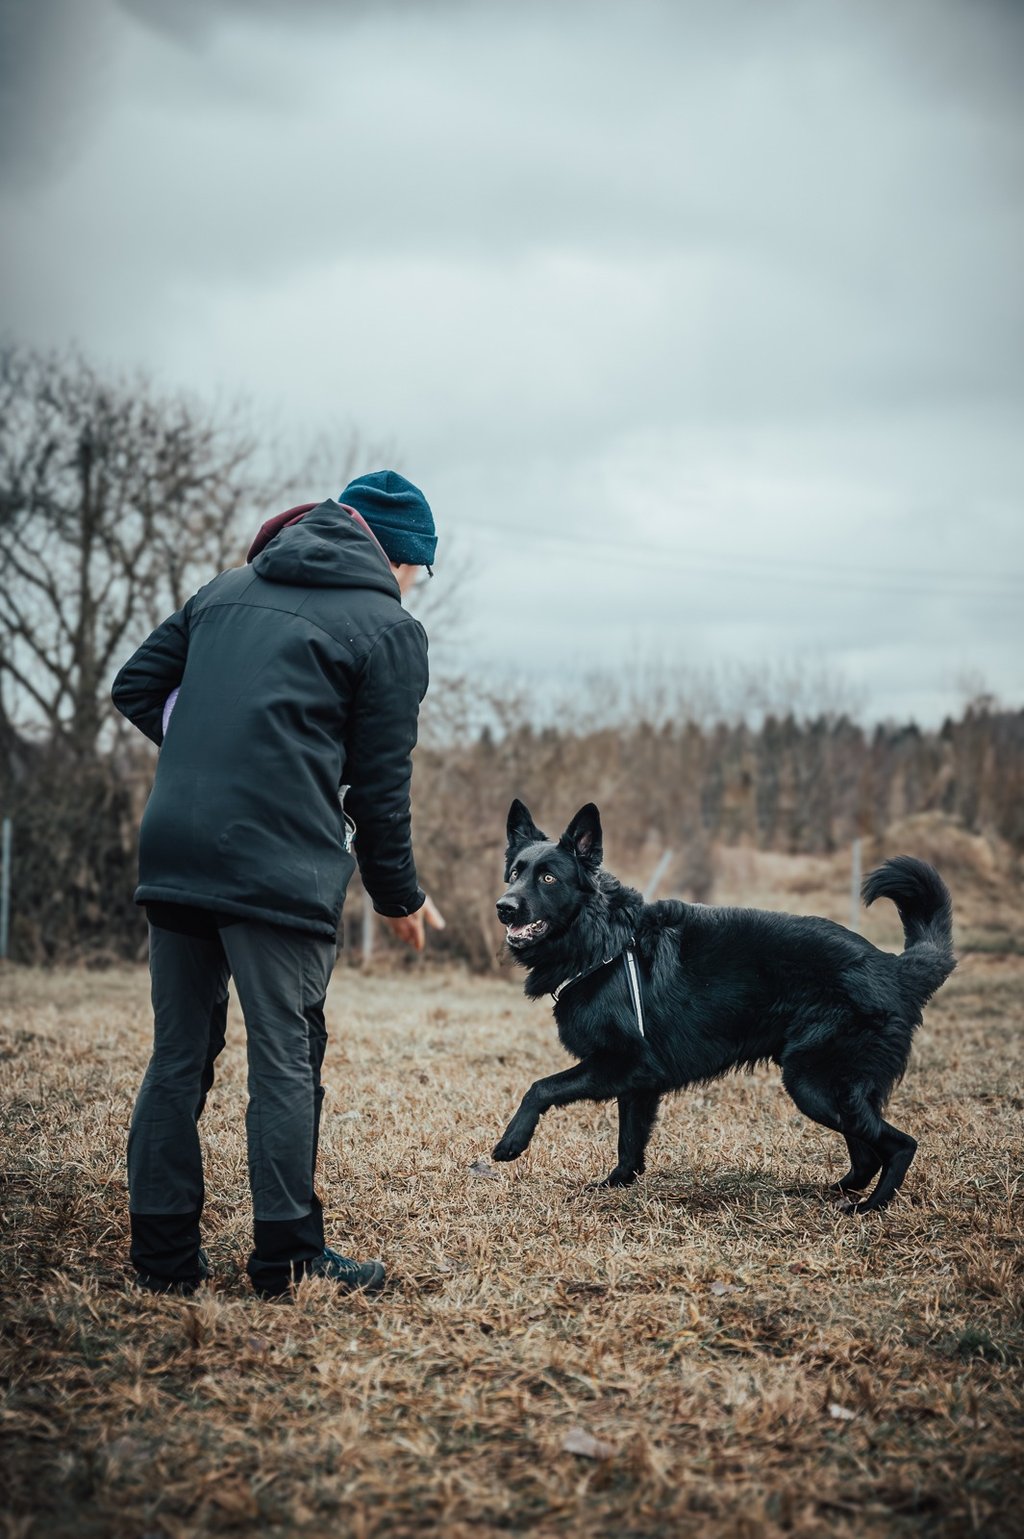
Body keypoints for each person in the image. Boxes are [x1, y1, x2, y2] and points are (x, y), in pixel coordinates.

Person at [112, 470, 443, 1299]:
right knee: (287, 1053)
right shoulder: (388, 628)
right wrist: (397, 894)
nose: (416, 586)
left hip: (177, 847)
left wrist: (211, 751)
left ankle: (161, 1260)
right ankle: (288, 1254)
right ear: (399, 558)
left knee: (179, 1052)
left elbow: (137, 687)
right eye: (421, 571)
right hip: (276, 861)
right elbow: (378, 789)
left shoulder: (224, 590)